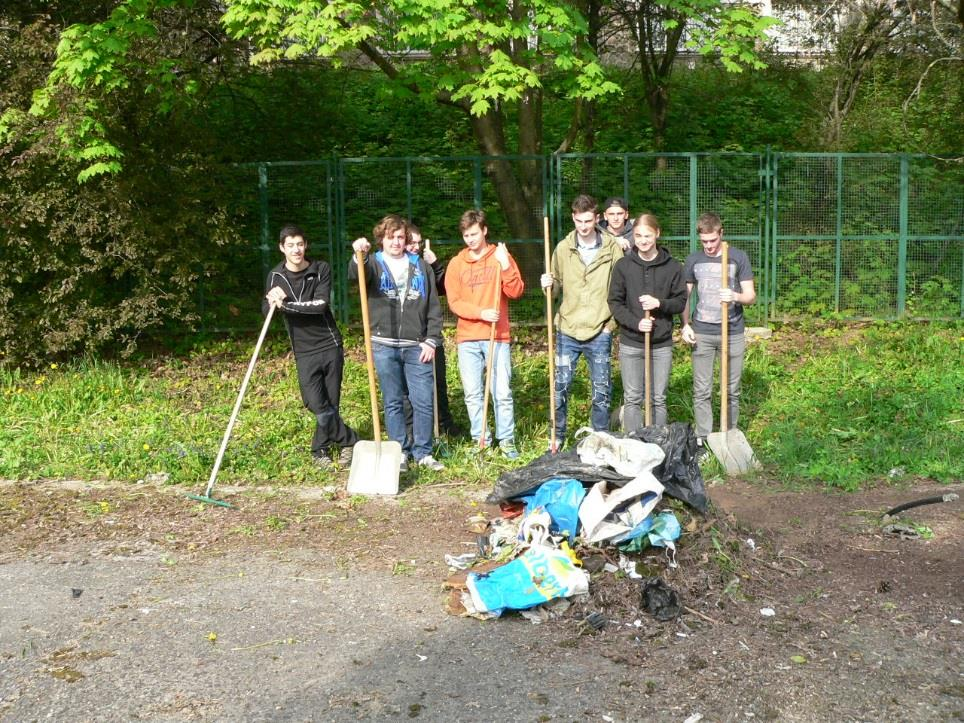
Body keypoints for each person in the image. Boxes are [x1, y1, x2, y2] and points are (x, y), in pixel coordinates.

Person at [349, 215, 444, 472]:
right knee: (393, 401)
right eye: (391, 237)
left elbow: (434, 306)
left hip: (417, 344)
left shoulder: (420, 265)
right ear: (382, 239)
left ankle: (423, 452)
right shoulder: (374, 263)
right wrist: (360, 254)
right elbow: (355, 275)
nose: (396, 242)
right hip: (383, 343)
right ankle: (399, 452)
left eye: (401, 237)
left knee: (423, 400)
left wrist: (431, 340)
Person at [263, 224, 358, 471]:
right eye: (291, 245)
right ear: (282, 248)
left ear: (306, 245)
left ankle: (320, 450)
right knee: (315, 403)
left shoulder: (320, 269)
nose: (296, 250)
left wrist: (287, 306)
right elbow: (268, 312)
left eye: (300, 244)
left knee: (331, 402)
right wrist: (271, 300)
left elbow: (320, 305)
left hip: (329, 344)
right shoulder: (276, 277)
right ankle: (350, 439)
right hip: (303, 350)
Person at [541, 194, 623, 447]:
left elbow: (621, 288)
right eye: (579, 221)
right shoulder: (563, 249)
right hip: (567, 328)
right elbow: (555, 289)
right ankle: (557, 438)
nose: (584, 226)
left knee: (601, 390)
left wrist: (610, 326)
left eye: (588, 220)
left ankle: (599, 440)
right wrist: (548, 285)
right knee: (560, 387)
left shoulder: (612, 248)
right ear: (573, 218)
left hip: (599, 329)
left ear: (597, 218)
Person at [445, 209, 525, 458]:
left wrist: (504, 265)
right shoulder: (457, 264)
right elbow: (455, 302)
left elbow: (516, 291)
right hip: (468, 337)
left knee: (501, 392)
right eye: (466, 235)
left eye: (474, 234)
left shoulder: (500, 256)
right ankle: (480, 439)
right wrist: (481, 313)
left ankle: (507, 440)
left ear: (484, 231)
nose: (470, 239)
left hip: (497, 337)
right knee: (473, 393)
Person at [681, 211, 757, 447]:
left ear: (721, 234)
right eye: (704, 241)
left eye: (713, 240)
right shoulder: (694, 260)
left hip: (732, 331)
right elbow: (685, 296)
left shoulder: (737, 258)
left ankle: (729, 435)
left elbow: (751, 296)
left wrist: (734, 295)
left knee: (731, 389)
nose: (709, 246)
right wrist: (685, 325)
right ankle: (703, 438)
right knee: (702, 389)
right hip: (702, 332)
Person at [607, 213, 687, 431]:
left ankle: (659, 445)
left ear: (657, 234)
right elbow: (615, 302)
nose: (643, 241)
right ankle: (634, 446)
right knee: (633, 398)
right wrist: (636, 323)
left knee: (658, 398)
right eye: (638, 236)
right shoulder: (624, 266)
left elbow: (680, 302)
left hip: (661, 343)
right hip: (631, 342)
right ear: (633, 236)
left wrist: (658, 303)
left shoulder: (672, 267)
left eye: (648, 236)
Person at [402, 226, 462, 438]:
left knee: (438, 383)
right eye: (412, 243)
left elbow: (443, 289)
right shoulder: (396, 268)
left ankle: (444, 424)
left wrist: (435, 265)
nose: (416, 247)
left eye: (418, 243)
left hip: (430, 335)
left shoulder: (424, 266)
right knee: (408, 392)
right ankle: (413, 432)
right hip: (407, 338)